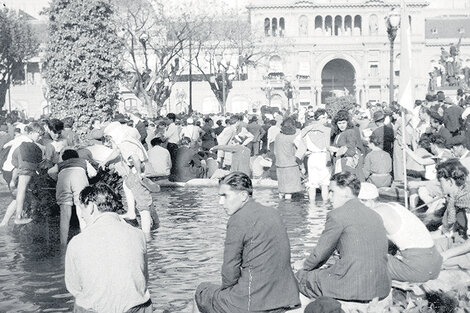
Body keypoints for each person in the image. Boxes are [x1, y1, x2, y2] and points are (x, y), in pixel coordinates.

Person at [194, 172, 300, 313]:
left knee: (201, 292)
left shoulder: (238, 219)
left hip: (253, 300)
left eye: (225, 196)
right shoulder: (273, 213)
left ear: (243, 196)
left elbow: (229, 269)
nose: (221, 202)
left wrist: (227, 292)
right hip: (286, 296)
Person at [295, 172, 391, 307]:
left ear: (346, 191)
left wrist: (303, 267)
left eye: (332, 191)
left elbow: (320, 255)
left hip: (352, 287)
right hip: (380, 286)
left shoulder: (337, 215)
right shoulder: (375, 215)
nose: (329, 197)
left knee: (300, 277)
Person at [65, 183, 152, 313]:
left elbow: (74, 288)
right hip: (135, 309)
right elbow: (144, 280)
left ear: (90, 207)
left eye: (82, 209)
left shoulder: (76, 242)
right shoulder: (138, 235)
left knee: (81, 302)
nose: (82, 216)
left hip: (95, 310)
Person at [358, 182, 442, 283]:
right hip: (434, 262)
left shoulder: (375, 213)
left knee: (362, 259)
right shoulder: (393, 206)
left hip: (419, 268)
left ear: (368, 202)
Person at [48, 149, 97, 245]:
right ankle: (85, 239)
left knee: (65, 215)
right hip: (79, 179)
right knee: (82, 211)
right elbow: (93, 173)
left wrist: (57, 178)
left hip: (64, 181)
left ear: (64, 158)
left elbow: (50, 172)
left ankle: (63, 243)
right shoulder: (83, 161)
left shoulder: (60, 164)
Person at [0, 123, 45, 226]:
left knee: (17, 197)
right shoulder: (27, 143)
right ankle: (18, 218)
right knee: (22, 191)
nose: (40, 137)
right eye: (39, 134)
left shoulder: (20, 138)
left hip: (8, 168)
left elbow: (7, 146)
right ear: (31, 132)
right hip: (14, 169)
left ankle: (4, 223)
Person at [298, 109, 331, 203]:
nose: (326, 120)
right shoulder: (327, 130)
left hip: (312, 157)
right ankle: (325, 207)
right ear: (318, 118)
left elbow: (298, 143)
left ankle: (311, 208)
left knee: (312, 184)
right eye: (324, 117)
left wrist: (305, 153)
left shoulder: (306, 130)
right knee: (324, 184)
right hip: (323, 157)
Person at [274, 117, 302, 199]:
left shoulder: (278, 136)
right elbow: (299, 151)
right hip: (291, 166)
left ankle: (281, 208)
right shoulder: (293, 138)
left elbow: (275, 151)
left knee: (282, 190)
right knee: (289, 192)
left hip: (279, 165)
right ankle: (288, 209)